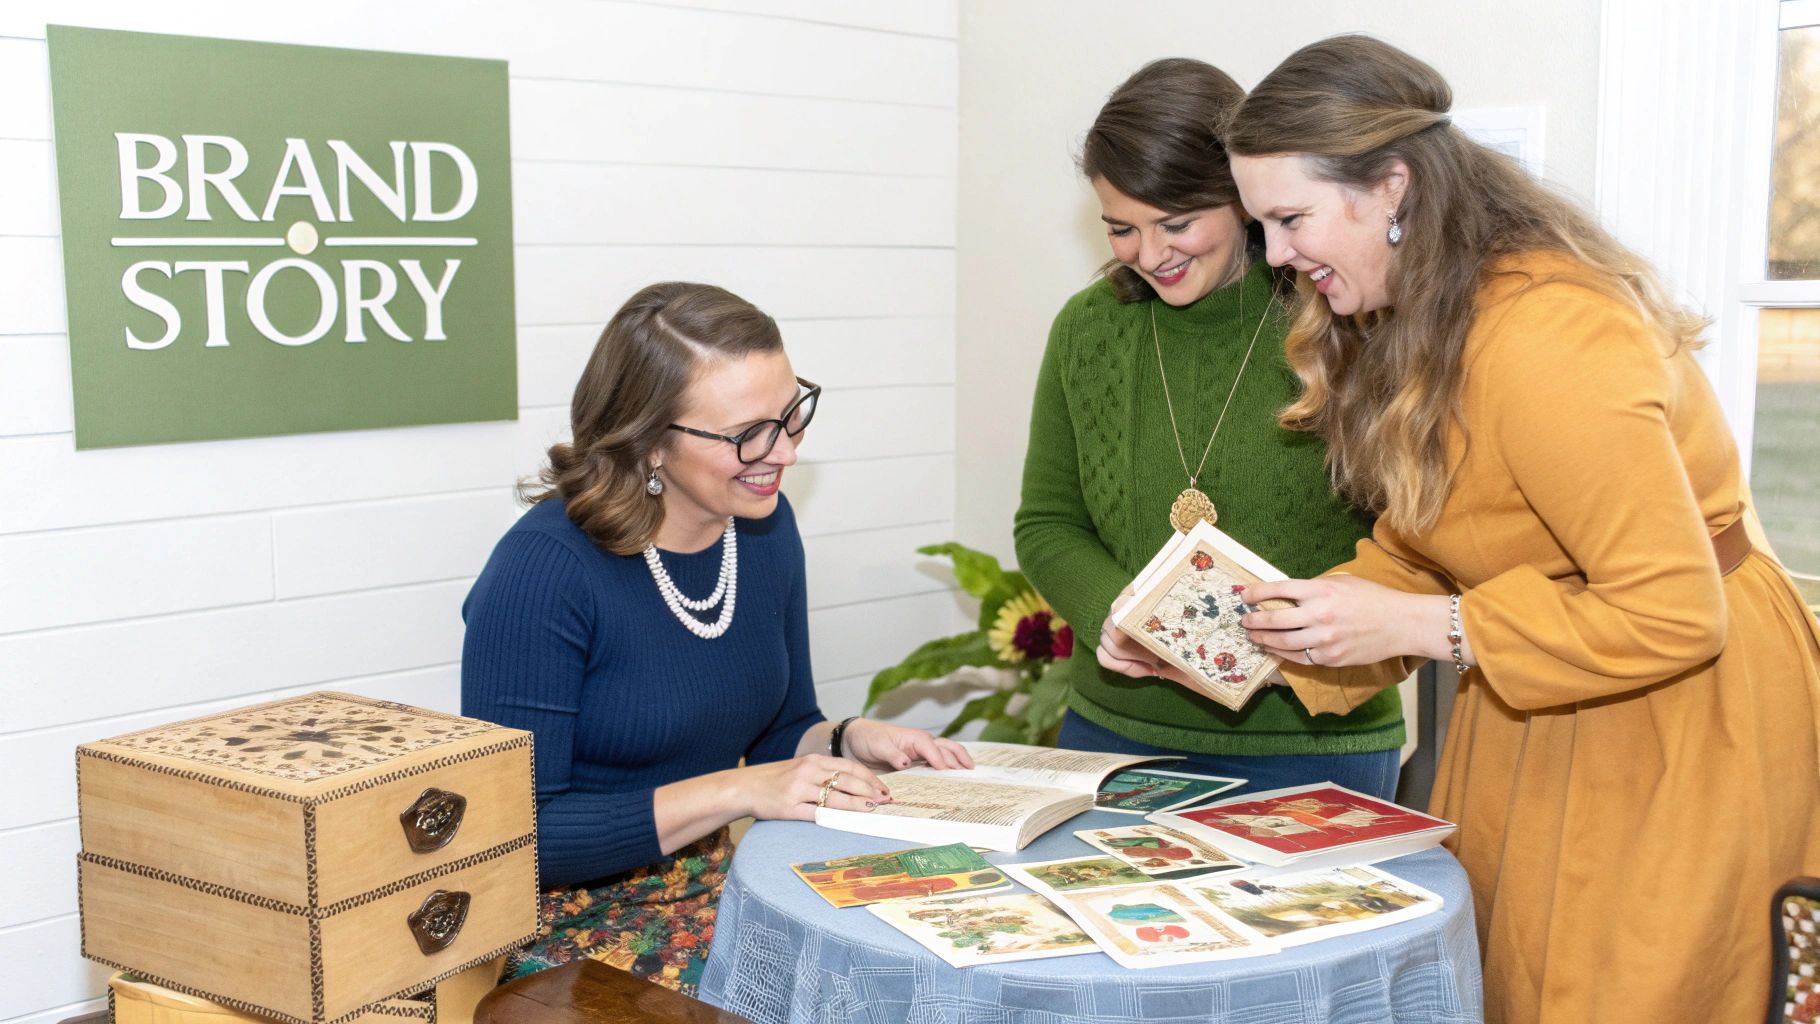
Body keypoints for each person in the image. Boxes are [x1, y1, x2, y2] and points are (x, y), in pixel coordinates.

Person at [1102, 34, 1820, 1022]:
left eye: (1289, 218)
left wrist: (1428, 628)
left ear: (1389, 188)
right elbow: (1430, 546)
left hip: (1677, 711)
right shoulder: (1419, 316)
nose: (1274, 255)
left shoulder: (1550, 334)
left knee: (1625, 984)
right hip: (1536, 688)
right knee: (1515, 972)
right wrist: (1244, 638)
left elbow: (1667, 613)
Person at [462, 282, 970, 995]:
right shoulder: (545, 570)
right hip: (570, 932)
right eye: (748, 435)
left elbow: (779, 731)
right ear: (650, 443)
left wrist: (847, 739)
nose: (785, 452)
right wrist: (740, 790)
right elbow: (521, 837)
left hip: (726, 884)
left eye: (791, 415)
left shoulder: (763, 529)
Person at [1013, 57, 1405, 799]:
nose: (1151, 254)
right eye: (1121, 228)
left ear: (1244, 198)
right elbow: (1047, 523)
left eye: (1177, 223)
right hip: (1116, 733)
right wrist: (1114, 614)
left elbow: (1414, 534)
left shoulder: (1344, 318)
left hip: (1319, 742)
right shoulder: (1089, 330)